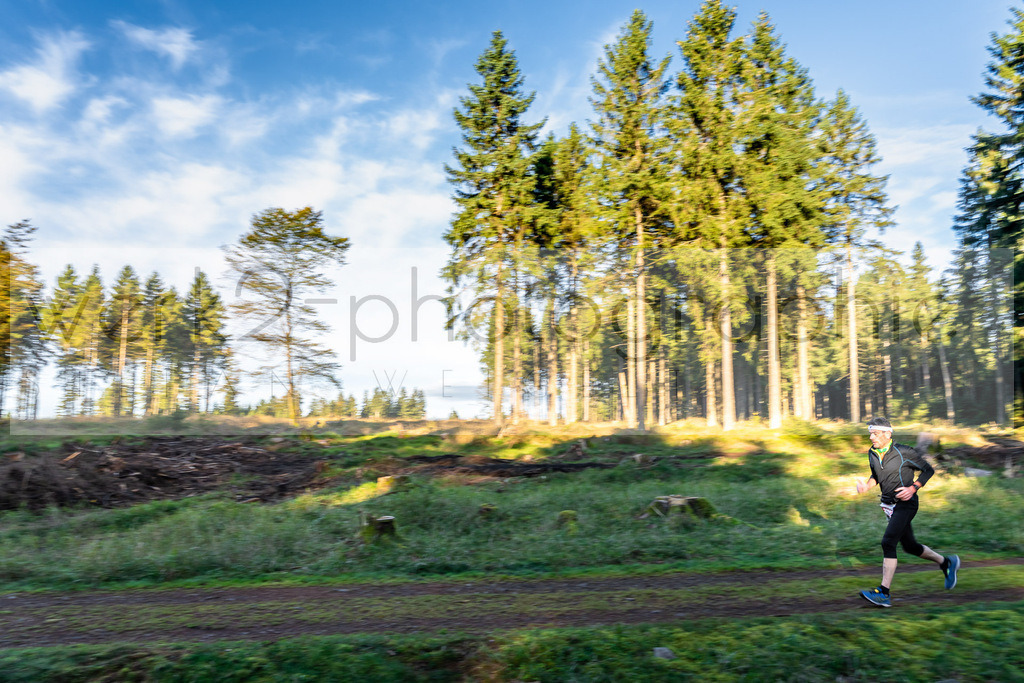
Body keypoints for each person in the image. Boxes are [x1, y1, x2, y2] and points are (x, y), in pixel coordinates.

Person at [855, 417, 959, 607]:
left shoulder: (904, 451)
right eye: (870, 433)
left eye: (875, 433)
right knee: (910, 546)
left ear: (888, 434)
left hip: (907, 504)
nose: (871, 437)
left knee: (888, 542)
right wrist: (866, 487)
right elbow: (876, 475)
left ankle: (883, 593)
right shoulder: (872, 453)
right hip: (889, 506)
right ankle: (946, 563)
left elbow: (928, 470)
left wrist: (913, 488)